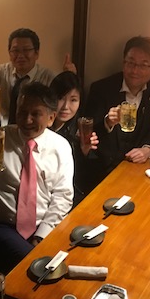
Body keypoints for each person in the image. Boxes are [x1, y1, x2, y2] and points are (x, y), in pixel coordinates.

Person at [0, 82, 73, 273]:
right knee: (37, 265)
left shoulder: (60, 147)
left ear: (51, 118)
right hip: (3, 225)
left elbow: (63, 196)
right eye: (22, 112)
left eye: (35, 114)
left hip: (46, 223)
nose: (27, 120)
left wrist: (42, 235)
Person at [85, 35, 150, 174]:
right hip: (103, 167)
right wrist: (107, 122)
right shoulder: (101, 88)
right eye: (131, 63)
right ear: (123, 63)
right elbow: (87, 133)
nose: (135, 71)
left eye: (143, 65)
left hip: (136, 166)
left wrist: (147, 150)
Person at [0, 28, 64, 125]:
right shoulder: (4, 71)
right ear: (10, 54)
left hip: (35, 130)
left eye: (26, 50)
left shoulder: (48, 77)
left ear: (36, 53)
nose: (20, 55)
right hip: (6, 130)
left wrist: (68, 76)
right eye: (15, 50)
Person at [49, 71, 99, 204]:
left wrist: (84, 152)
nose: (66, 107)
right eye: (60, 98)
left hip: (70, 197)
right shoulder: (41, 125)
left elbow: (87, 179)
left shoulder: (82, 128)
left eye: (73, 100)